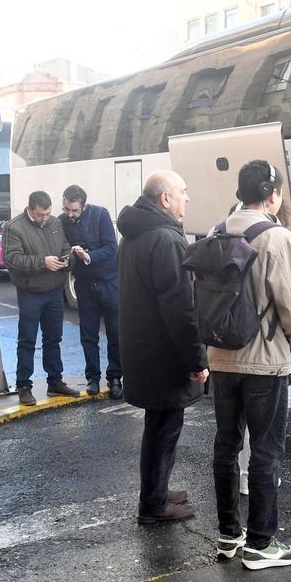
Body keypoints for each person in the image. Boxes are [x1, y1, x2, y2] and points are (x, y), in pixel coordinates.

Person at [209, 160, 291, 570]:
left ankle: (228, 534)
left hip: (221, 357)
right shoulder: (276, 237)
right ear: (272, 195)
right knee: (266, 451)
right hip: (264, 362)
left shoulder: (217, 230)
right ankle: (262, 543)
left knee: (226, 444)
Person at [117, 171, 209, 524]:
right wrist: (196, 359)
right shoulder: (166, 240)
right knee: (163, 430)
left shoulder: (137, 233)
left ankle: (157, 490)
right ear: (165, 199)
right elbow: (181, 308)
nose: (187, 198)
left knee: (159, 427)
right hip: (164, 354)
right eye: (183, 192)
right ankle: (153, 506)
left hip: (144, 348)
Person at [2, 191, 79, 406]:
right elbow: (12, 260)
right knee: (27, 340)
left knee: (53, 339)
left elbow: (65, 246)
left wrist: (67, 260)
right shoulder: (14, 227)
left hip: (55, 291)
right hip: (30, 293)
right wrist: (42, 262)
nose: (44, 218)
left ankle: (55, 381)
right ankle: (24, 386)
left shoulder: (55, 223)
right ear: (30, 209)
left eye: (47, 214)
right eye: (39, 215)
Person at [59, 185, 123, 399]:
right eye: (67, 209)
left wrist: (88, 256)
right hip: (84, 284)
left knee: (114, 332)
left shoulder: (100, 214)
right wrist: (70, 255)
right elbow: (61, 249)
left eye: (74, 211)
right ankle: (92, 378)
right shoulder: (61, 220)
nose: (70, 214)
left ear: (84, 207)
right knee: (88, 333)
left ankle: (115, 377)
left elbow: (112, 248)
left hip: (108, 282)